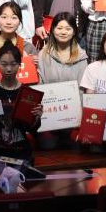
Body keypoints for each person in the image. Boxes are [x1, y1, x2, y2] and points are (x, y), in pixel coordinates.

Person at [0, 43, 41, 174]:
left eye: (13, 64)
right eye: (4, 64)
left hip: (20, 152)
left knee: (17, 174)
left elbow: (32, 129)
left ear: (20, 65)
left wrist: (36, 118)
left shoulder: (27, 93)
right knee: (1, 173)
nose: (8, 69)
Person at [36, 12, 89, 149]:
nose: (63, 32)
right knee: (47, 145)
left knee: (76, 147)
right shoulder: (43, 55)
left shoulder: (82, 57)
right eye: (59, 28)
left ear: (74, 31)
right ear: (52, 30)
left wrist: (78, 116)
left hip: (71, 117)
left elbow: (82, 90)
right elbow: (40, 85)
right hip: (48, 115)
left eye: (68, 28)